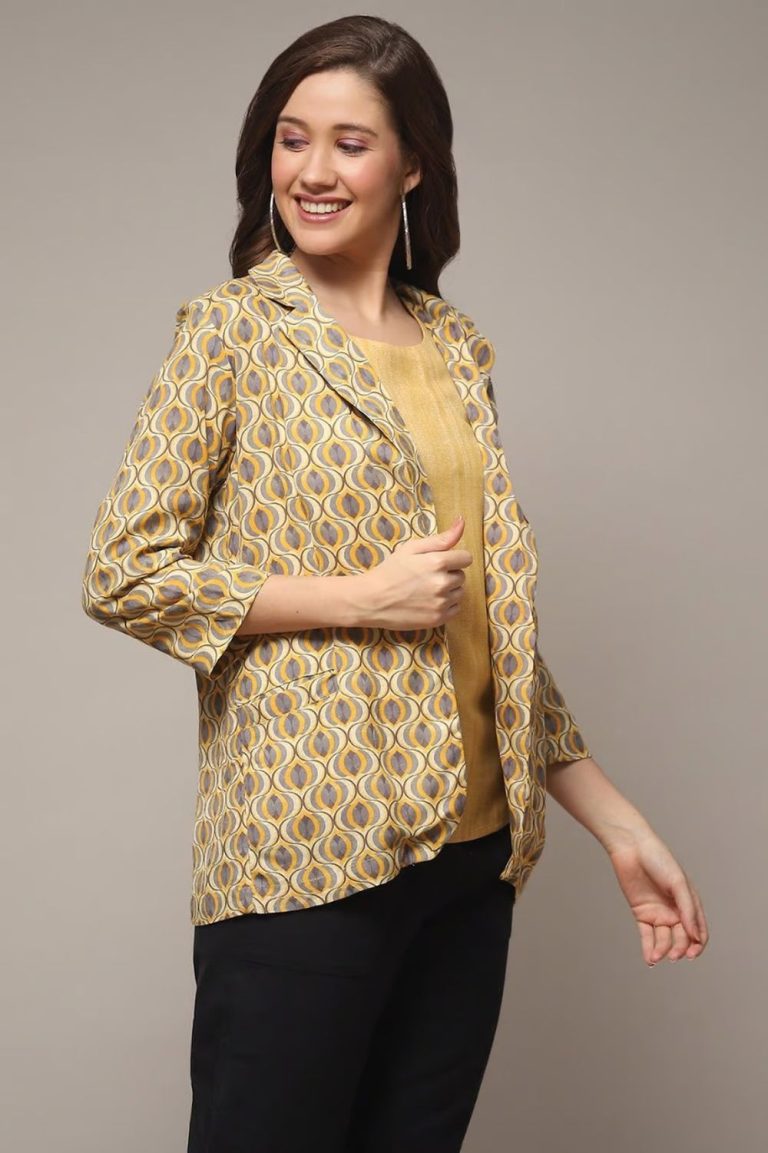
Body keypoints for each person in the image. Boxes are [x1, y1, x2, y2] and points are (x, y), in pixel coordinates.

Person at [81, 14, 709, 1153]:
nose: (312, 171)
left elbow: (489, 625)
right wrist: (352, 598)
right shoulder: (231, 333)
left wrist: (616, 822)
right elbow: (124, 571)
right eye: (292, 138)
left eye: (351, 143)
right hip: (306, 854)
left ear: (414, 163)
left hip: (472, 867)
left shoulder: (456, 348)